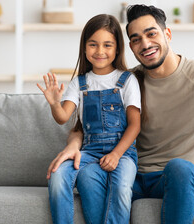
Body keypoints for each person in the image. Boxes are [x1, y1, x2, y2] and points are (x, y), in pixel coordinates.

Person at [47, 5, 194, 224]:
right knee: (90, 175)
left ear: (167, 34)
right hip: (132, 175)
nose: (145, 44)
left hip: (176, 178)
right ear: (130, 48)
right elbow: (84, 124)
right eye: (136, 39)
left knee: (180, 167)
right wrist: (73, 145)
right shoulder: (129, 80)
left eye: (151, 34)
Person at [37, 14, 141, 224]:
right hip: (89, 151)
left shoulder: (127, 80)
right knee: (57, 174)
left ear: (117, 48)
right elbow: (63, 117)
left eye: (107, 45)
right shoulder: (79, 83)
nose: (100, 51)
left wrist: (116, 154)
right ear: (84, 48)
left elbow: (135, 124)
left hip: (123, 153)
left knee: (121, 189)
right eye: (93, 45)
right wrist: (54, 103)